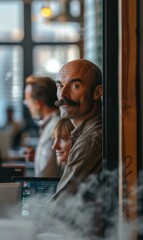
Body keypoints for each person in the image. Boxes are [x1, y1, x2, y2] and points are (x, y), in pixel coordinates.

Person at [24, 75, 61, 178]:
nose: (28, 107)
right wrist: (37, 157)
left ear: (38, 104)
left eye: (27, 102)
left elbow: (47, 175)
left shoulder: (56, 127)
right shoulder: (50, 124)